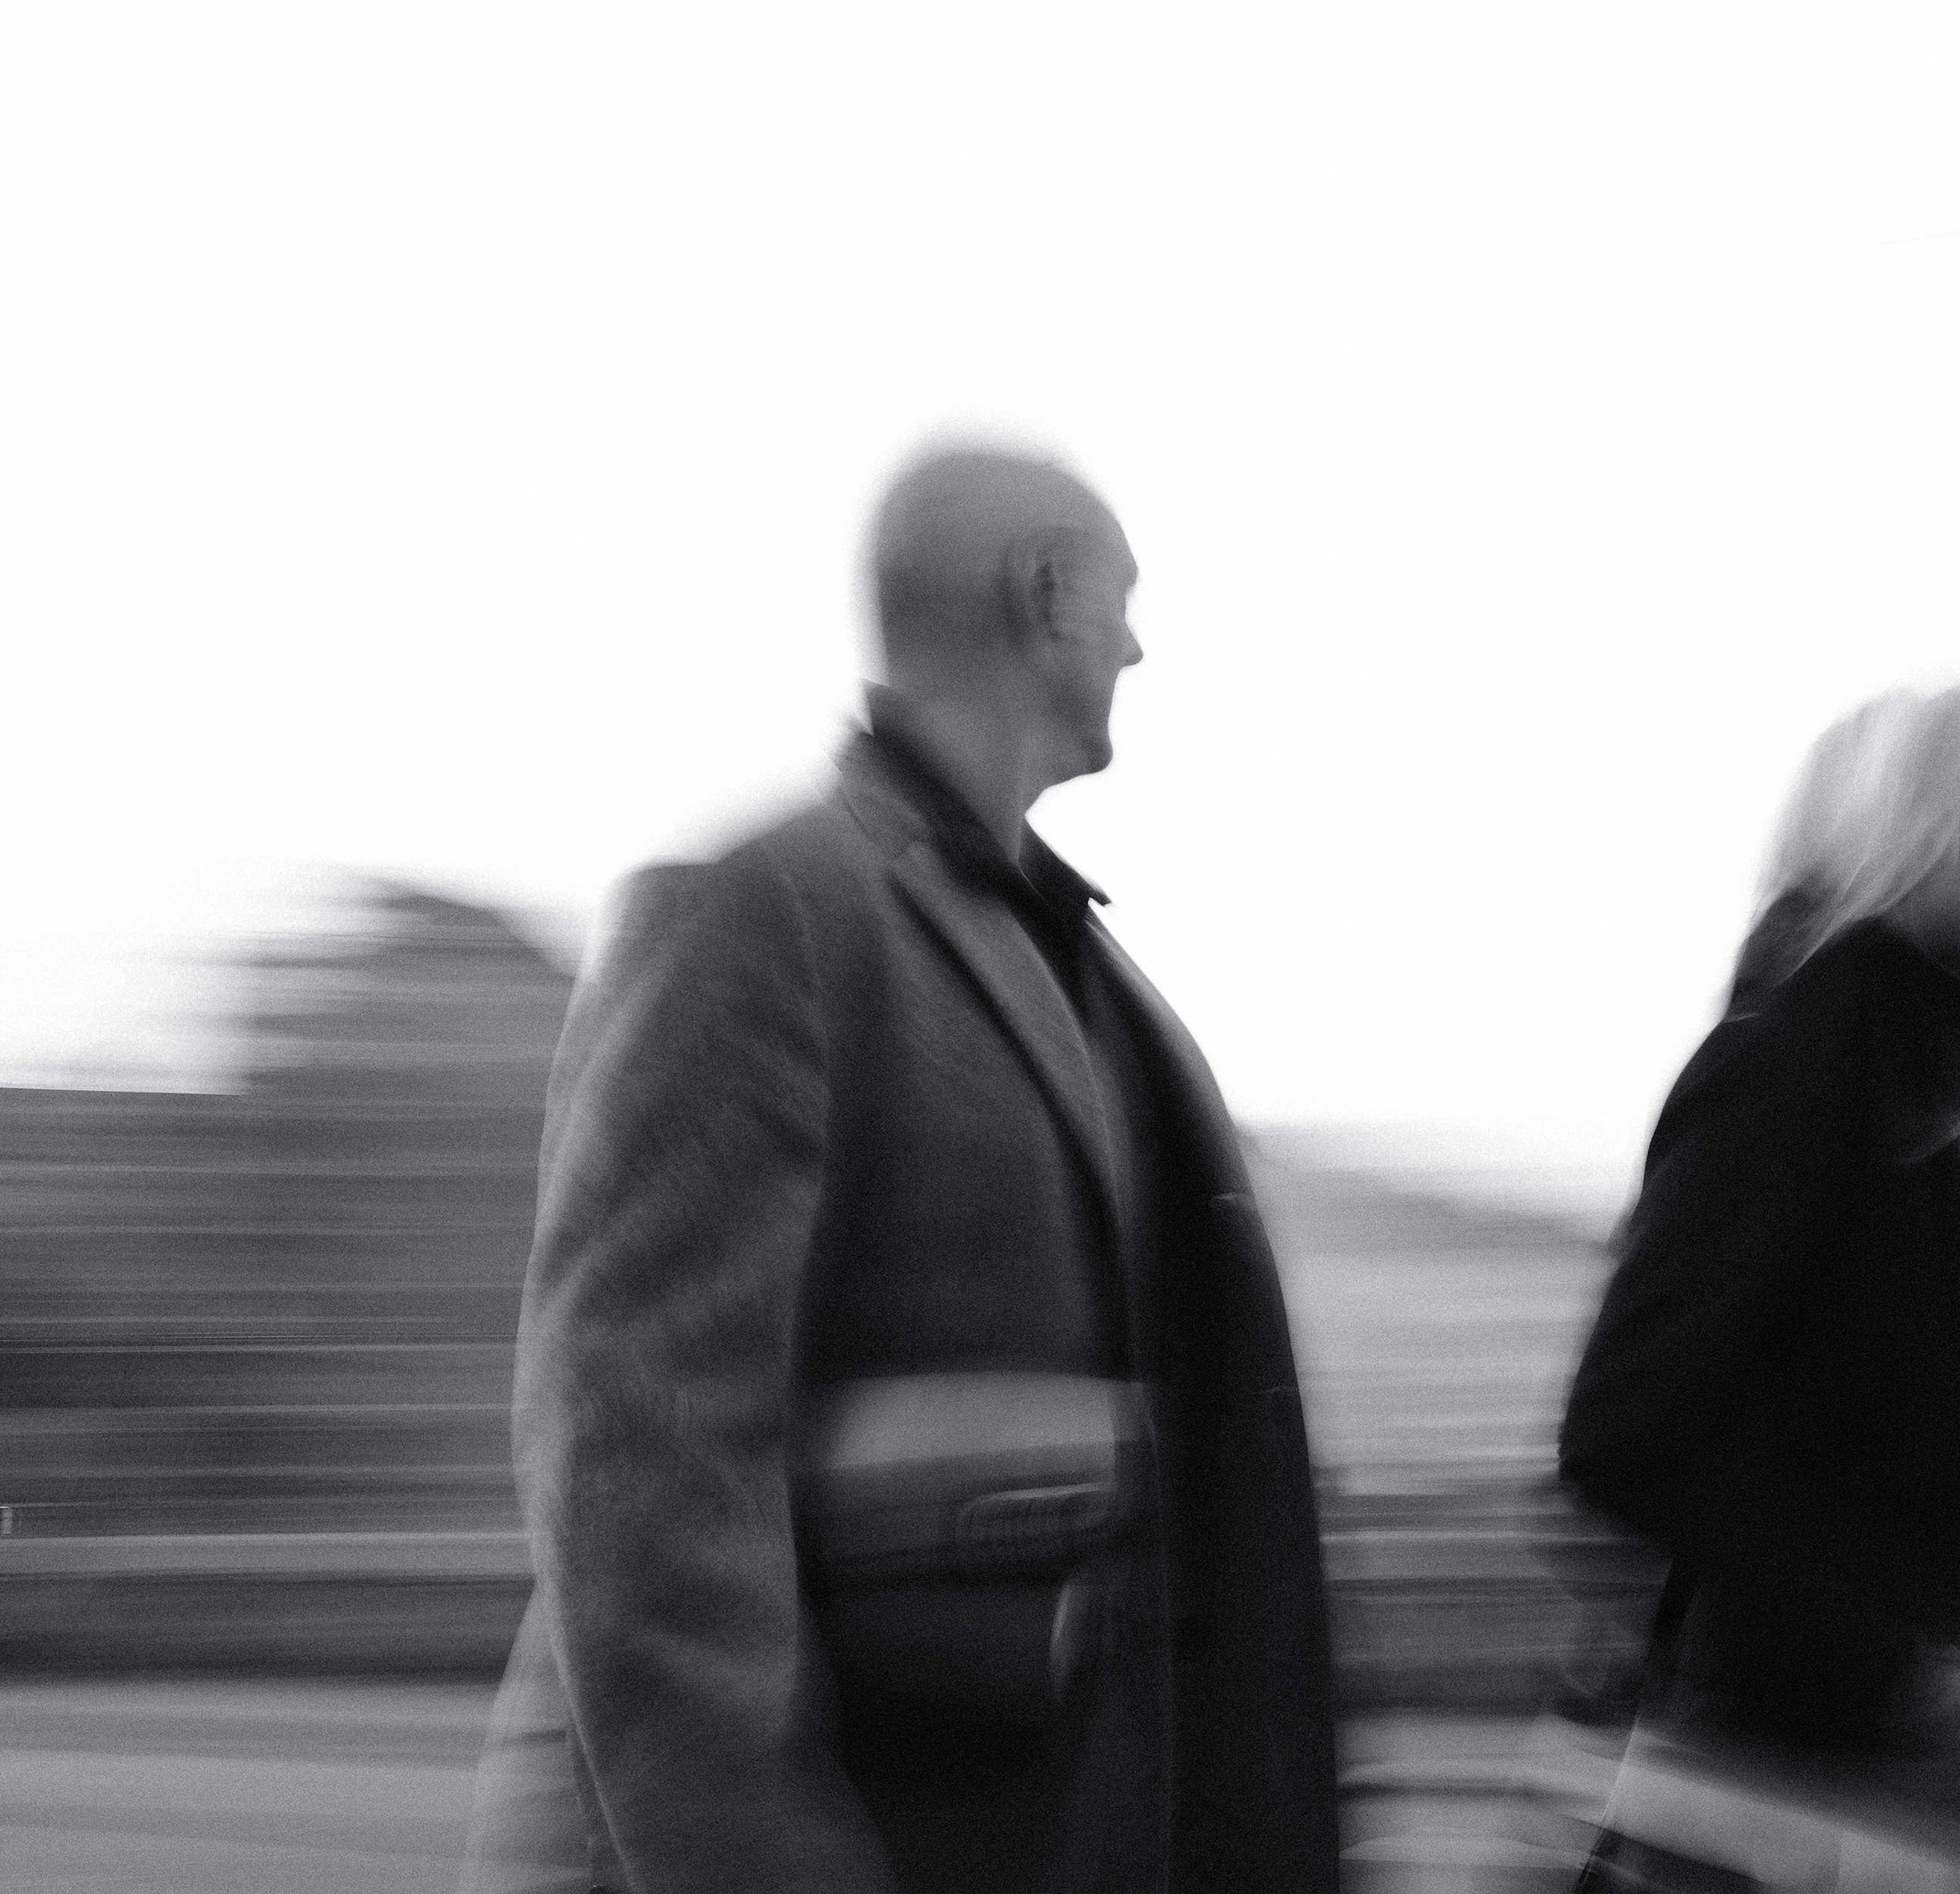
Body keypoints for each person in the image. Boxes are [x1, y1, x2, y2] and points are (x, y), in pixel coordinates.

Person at [458, 446, 1342, 1894]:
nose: (1138, 646)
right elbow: (645, 1482)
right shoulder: (758, 912)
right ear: (1046, 589)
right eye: (1123, 599)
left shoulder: (1075, 966)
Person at [1558, 688, 1960, 1894]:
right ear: (1917, 837)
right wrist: (1903, 1647)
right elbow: (1625, 1435)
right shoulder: (1789, 1072)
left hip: (1942, 1815)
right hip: (1784, 1817)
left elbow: (1886, 1401)